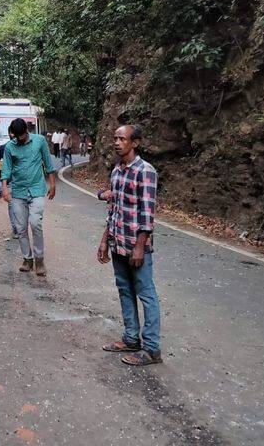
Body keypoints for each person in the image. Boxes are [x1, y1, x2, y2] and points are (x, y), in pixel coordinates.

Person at [97, 125, 162, 366]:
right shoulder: (117, 171)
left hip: (136, 244)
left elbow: (147, 214)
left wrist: (140, 246)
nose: (116, 142)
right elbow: (113, 209)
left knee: (146, 294)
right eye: (115, 138)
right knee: (124, 290)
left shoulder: (145, 171)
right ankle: (131, 338)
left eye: (122, 139)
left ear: (135, 143)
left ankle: (152, 348)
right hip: (118, 242)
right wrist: (105, 240)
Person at [1, 118, 56, 276]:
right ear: (14, 134)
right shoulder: (10, 147)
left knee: (35, 223)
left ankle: (39, 260)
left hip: (37, 189)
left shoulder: (39, 141)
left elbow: (48, 164)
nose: (21, 138)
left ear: (27, 130)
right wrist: (5, 188)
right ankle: (27, 259)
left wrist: (52, 185)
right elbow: (6, 169)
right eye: (18, 136)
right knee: (21, 228)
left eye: (23, 135)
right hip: (18, 192)